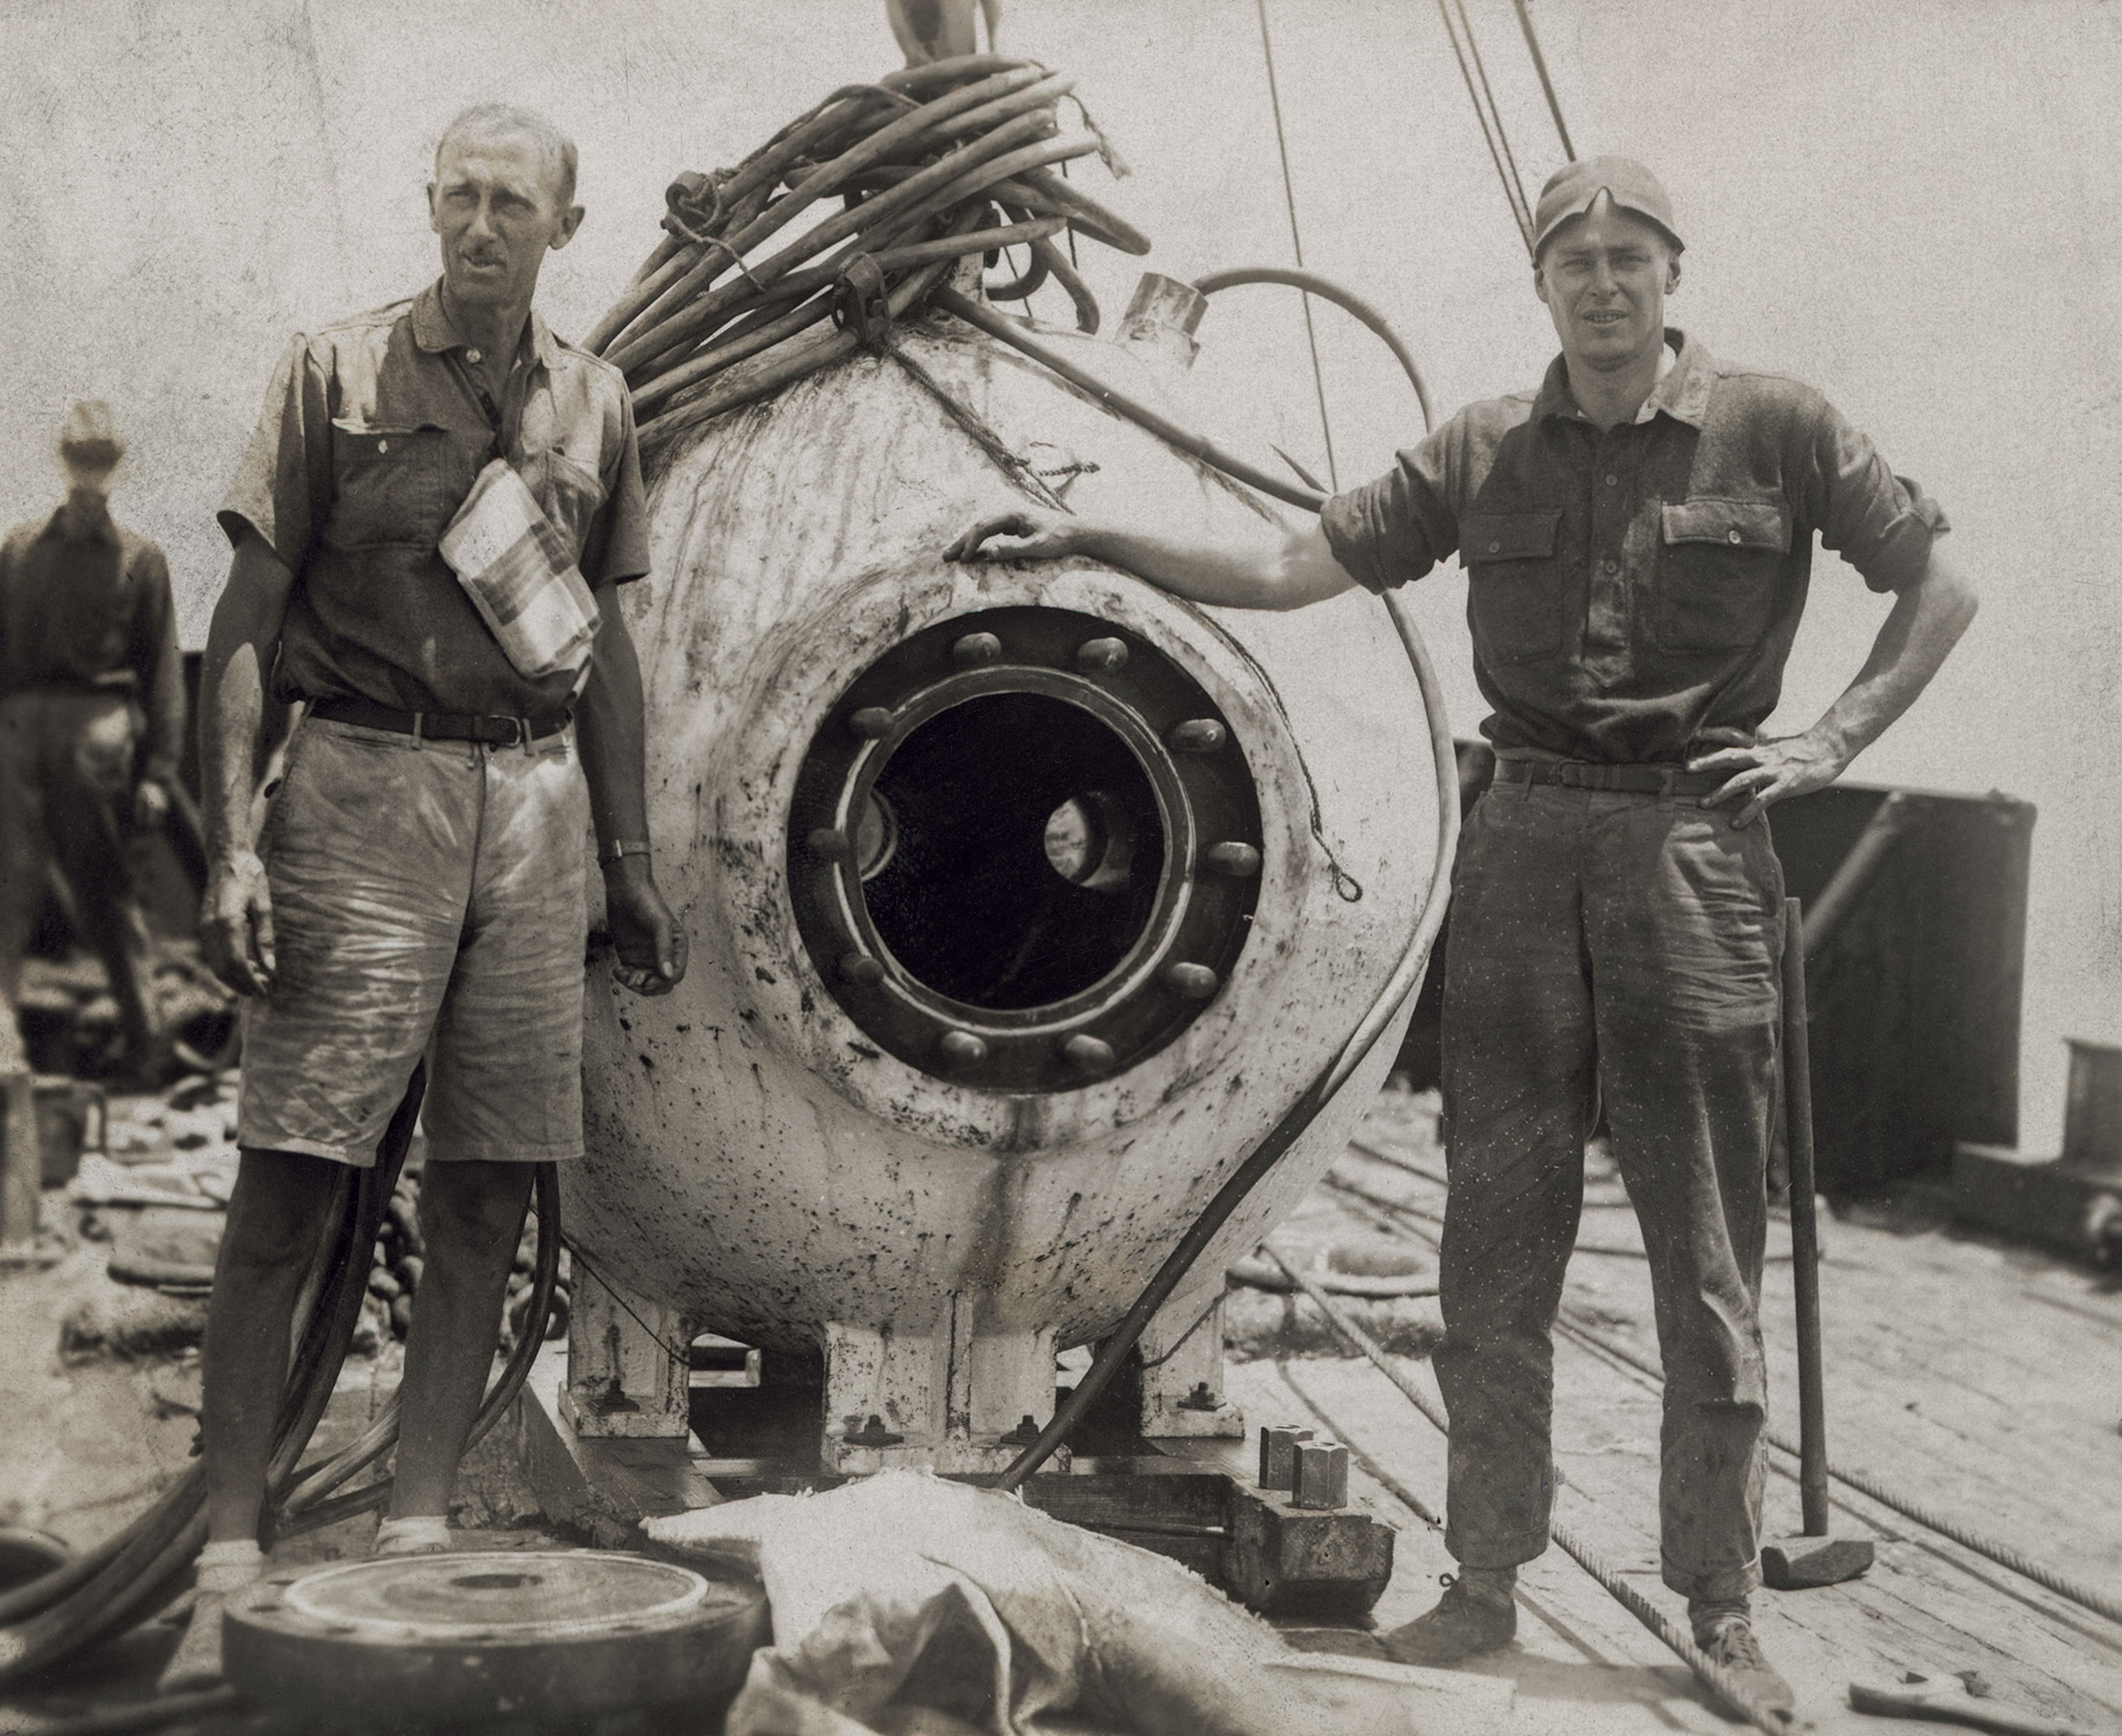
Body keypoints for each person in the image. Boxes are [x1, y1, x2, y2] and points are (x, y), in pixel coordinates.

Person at [946, 157, 1977, 1709]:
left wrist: (1828, 742)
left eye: (1634, 257)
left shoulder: (1782, 427)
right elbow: (1297, 561)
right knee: (1495, 1245)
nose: (1607, 283)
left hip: (1693, 853)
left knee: (1703, 1252)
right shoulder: (1484, 448)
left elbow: (1940, 587)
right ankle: (1484, 1576)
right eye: (1579, 260)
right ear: (1544, 280)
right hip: (1518, 850)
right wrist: (1099, 545)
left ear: (1674, 273)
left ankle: (1719, 1600)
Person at [168, 104, 687, 1687]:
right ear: (430, 210)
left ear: (562, 228)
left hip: (527, 803)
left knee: (487, 1178)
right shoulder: (334, 377)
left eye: (509, 203)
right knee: (296, 1175)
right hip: (361, 790)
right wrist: (235, 844)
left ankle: (413, 1524)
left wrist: (630, 857)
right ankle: (229, 1542)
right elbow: (244, 624)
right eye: (455, 196)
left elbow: (604, 658)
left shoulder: (597, 402)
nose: (476, 225)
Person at [0, 403, 184, 1085]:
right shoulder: (19, 551)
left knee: (106, 893)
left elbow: (163, 673)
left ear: (116, 465)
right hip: (18, 734)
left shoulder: (141, 561)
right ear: (64, 459)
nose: (90, 469)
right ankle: (2, 1051)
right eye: (82, 454)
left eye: (101, 457)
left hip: (95, 734)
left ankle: (149, 1043)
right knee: (7, 893)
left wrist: (160, 772)